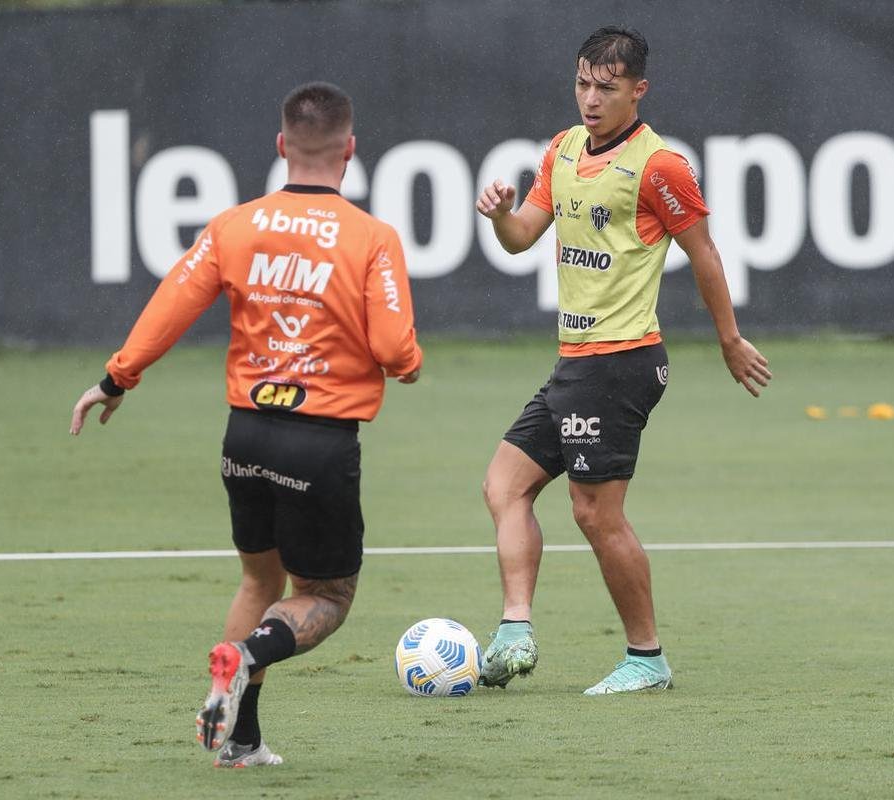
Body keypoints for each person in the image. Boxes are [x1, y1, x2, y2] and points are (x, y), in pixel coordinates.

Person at [69, 82, 423, 766]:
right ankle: (244, 655)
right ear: (350, 150)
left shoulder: (235, 225)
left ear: (281, 145)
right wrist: (408, 363)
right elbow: (392, 349)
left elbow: (173, 301)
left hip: (245, 437)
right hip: (318, 444)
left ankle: (241, 739)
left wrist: (116, 379)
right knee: (325, 596)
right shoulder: (371, 238)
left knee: (260, 582)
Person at [475, 27, 772, 695]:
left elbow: (705, 254)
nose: (590, 98)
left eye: (606, 88)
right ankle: (516, 629)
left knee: (594, 513)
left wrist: (728, 339)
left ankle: (647, 657)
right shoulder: (564, 148)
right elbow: (523, 236)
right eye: (582, 83)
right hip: (575, 363)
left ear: (638, 91)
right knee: (504, 485)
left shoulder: (659, 166)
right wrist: (497, 216)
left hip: (621, 363)